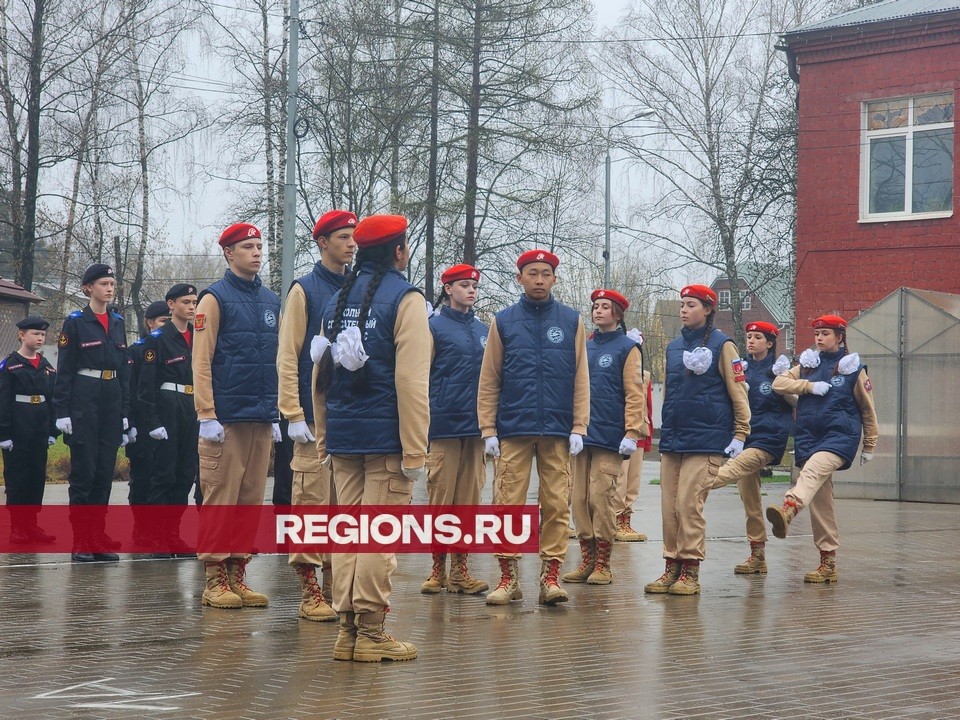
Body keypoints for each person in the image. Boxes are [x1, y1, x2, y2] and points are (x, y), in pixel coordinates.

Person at [311, 213, 429, 662]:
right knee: (378, 536)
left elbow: (318, 376)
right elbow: (412, 382)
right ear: (399, 251)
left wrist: (324, 435)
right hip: (387, 440)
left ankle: (348, 632)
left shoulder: (337, 300)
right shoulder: (406, 299)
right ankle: (373, 633)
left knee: (348, 534)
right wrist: (415, 448)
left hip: (343, 436)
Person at [477, 249, 589, 607]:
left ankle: (550, 577)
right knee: (507, 503)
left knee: (556, 504)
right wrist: (488, 428)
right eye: (532, 273)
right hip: (514, 429)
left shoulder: (571, 320)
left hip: (558, 431)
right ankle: (509, 578)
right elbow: (490, 378)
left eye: (545, 274)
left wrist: (579, 425)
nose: (539, 280)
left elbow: (581, 378)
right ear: (519, 278)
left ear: (555, 279)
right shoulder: (504, 321)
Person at [193, 222, 282, 609]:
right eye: (248, 246)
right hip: (226, 418)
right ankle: (214, 579)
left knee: (249, 499)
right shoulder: (214, 299)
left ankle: (238, 574)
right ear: (229, 253)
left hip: (260, 417)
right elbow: (202, 360)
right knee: (221, 497)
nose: (257, 252)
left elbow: (276, 361)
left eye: (260, 246)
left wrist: (277, 412)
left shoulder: (271, 300)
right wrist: (206, 413)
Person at [644, 284, 750, 595]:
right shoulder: (673, 346)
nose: (684, 309)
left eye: (691, 304)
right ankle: (671, 566)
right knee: (668, 507)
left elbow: (738, 391)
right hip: (675, 438)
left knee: (689, 505)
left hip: (706, 439)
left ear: (707, 310)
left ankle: (690, 569)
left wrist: (740, 433)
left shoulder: (723, 345)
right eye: (682, 304)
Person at [277, 208, 356, 622]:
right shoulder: (303, 290)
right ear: (322, 242)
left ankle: (332, 585)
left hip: (345, 414)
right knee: (310, 502)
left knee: (342, 506)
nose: (351, 243)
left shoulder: (358, 287)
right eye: (343, 237)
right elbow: (288, 355)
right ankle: (309, 589)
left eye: (353, 236)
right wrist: (292, 411)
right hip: (310, 417)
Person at [766, 314, 878, 583]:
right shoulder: (807, 366)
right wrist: (808, 386)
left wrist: (869, 443)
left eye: (825, 333)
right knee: (821, 502)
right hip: (809, 438)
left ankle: (789, 507)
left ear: (840, 337)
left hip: (839, 438)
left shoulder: (852, 369)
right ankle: (828, 562)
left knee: (813, 470)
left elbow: (867, 409)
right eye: (817, 333)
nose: (819, 338)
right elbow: (778, 384)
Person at [563, 289, 646, 586]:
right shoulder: (584, 346)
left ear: (618, 315)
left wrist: (632, 432)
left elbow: (635, 394)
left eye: (605, 307)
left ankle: (603, 563)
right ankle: (586, 558)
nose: (598, 311)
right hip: (583, 434)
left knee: (601, 497)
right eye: (595, 306)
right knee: (579, 498)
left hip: (611, 436)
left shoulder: (627, 348)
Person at [54, 263, 132, 563]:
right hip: (84, 399)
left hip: (111, 399)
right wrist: (62, 410)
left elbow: (124, 369)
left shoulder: (118, 321)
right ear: (88, 288)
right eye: (103, 283)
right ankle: (81, 540)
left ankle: (98, 536)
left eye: (112, 283)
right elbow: (65, 369)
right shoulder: (75, 322)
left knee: (103, 473)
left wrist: (124, 410)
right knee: (85, 473)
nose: (109, 288)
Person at [420, 263, 489, 596]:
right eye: (464, 285)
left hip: (476, 428)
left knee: (468, 500)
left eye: (474, 286)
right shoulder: (432, 327)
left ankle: (461, 570)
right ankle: (437, 569)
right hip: (444, 424)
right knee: (441, 499)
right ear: (448, 289)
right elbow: (420, 375)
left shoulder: (483, 330)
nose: (471, 291)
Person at [708, 321, 795, 574]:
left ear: (769, 343)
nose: (751, 341)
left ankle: (696, 484)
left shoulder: (780, 372)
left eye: (757, 337)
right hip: (743, 437)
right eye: (749, 336)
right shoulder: (740, 368)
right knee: (750, 497)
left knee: (731, 470)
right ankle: (758, 556)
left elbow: (797, 402)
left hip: (768, 439)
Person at [138, 284, 200, 557]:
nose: (191, 306)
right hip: (168, 407)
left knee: (185, 474)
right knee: (163, 474)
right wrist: (152, 422)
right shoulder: (157, 339)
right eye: (185, 301)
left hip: (192, 405)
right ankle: (156, 537)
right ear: (171, 305)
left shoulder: (199, 335)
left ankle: (173, 535)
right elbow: (145, 386)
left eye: (194, 302)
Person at [0, 316, 58, 543]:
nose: (40, 338)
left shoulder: (47, 367)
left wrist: (53, 430)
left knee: (36, 477)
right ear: (22, 335)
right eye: (35, 334)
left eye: (42, 335)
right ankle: (17, 527)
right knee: (17, 477)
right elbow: (3, 401)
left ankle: (32, 525)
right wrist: (3, 433)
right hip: (18, 427)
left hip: (40, 426)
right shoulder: (9, 365)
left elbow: (52, 399)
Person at [126, 300, 171, 548]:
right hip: (142, 426)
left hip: (165, 421)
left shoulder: (174, 348)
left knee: (163, 478)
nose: (166, 326)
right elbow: (132, 390)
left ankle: (160, 530)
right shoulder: (137, 351)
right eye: (162, 321)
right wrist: (130, 423)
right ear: (149, 323)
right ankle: (141, 529)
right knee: (142, 478)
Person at [615, 331, 653, 543]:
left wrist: (646, 438)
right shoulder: (616, 369)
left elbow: (646, 406)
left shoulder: (645, 375)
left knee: (633, 481)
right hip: (621, 431)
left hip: (640, 431)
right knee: (619, 478)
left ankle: (626, 521)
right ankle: (615, 520)